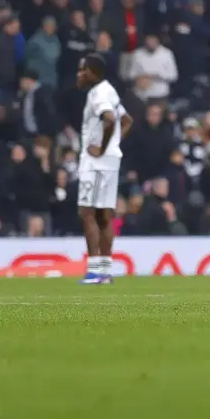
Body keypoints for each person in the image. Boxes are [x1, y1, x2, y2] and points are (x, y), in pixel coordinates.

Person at [76, 53, 133, 284]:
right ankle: (105, 271)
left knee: (87, 212)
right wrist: (113, 145)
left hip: (96, 162)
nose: (79, 75)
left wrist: (102, 148)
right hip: (109, 161)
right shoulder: (109, 89)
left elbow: (109, 119)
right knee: (102, 215)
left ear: (92, 72)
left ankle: (94, 271)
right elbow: (126, 120)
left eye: (82, 70)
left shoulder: (98, 94)